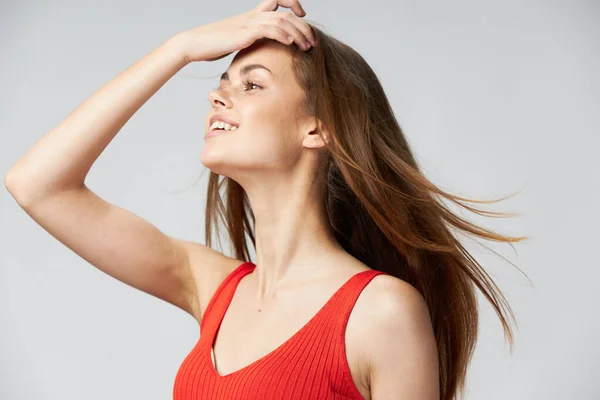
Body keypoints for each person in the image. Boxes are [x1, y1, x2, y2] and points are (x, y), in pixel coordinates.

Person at [4, 0, 529, 399]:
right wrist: (179, 48)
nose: (218, 94)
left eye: (252, 85)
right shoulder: (213, 288)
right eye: (221, 81)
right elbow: (37, 184)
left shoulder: (381, 312)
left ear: (317, 128)